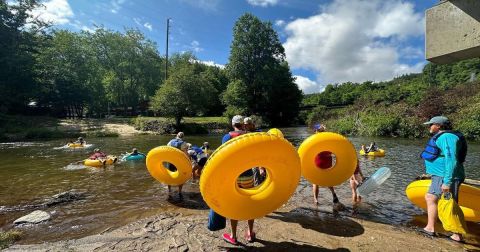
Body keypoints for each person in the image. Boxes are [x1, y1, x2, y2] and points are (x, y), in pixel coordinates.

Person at [419, 116, 467, 243]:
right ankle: (439, 230)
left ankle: (440, 230)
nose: (429, 127)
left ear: (438, 125)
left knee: (442, 201)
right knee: (434, 198)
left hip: (445, 176)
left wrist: (447, 181)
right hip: (440, 175)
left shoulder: (447, 137)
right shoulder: (445, 136)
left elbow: (451, 159)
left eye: (431, 124)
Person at [220, 115, 257, 245]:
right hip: (247, 174)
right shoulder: (249, 136)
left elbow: (222, 157)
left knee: (233, 204)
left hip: (233, 176)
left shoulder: (226, 137)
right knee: (249, 202)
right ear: (243, 124)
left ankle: (233, 236)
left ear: (233, 124)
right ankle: (250, 233)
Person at [311, 123, 345, 211]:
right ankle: (333, 194)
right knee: (328, 180)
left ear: (316, 131)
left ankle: (315, 199)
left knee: (315, 182)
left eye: (315, 130)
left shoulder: (315, 139)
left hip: (319, 161)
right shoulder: (328, 138)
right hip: (328, 161)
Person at [244, 117, 266, 186]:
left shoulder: (259, 133)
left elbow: (262, 150)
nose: (245, 126)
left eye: (247, 125)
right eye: (245, 125)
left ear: (252, 125)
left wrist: (261, 167)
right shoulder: (244, 134)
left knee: (258, 176)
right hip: (250, 159)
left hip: (258, 160)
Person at [166, 132, 189, 197]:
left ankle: (169, 190)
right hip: (179, 162)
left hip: (170, 161)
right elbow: (185, 154)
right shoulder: (184, 143)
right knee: (181, 176)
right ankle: (179, 191)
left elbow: (166, 150)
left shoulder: (170, 142)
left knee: (169, 175)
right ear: (183, 137)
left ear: (176, 136)